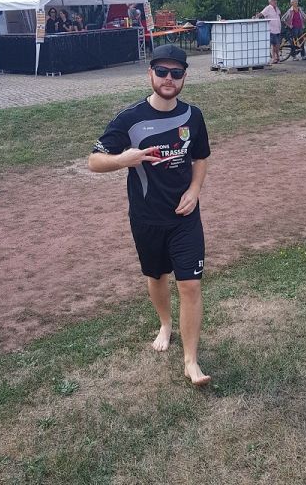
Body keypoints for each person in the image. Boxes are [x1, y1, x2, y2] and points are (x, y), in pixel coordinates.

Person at [88, 44, 211, 386]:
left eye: (176, 73)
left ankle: (191, 361)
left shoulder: (194, 116)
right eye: (162, 72)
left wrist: (194, 191)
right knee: (156, 277)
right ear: (150, 74)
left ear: (184, 77)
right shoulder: (129, 119)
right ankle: (165, 324)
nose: (169, 78)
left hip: (185, 217)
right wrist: (122, 160)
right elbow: (93, 161)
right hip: (146, 218)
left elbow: (201, 157)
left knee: (190, 284)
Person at [255, 0, 282, 64]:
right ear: (270, 2)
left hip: (278, 29)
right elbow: (261, 14)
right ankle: (274, 58)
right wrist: (256, 17)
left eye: (276, 0)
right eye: (273, 0)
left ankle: (277, 58)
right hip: (271, 29)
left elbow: (279, 15)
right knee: (274, 45)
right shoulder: (268, 8)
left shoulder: (277, 8)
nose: (275, 2)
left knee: (277, 45)